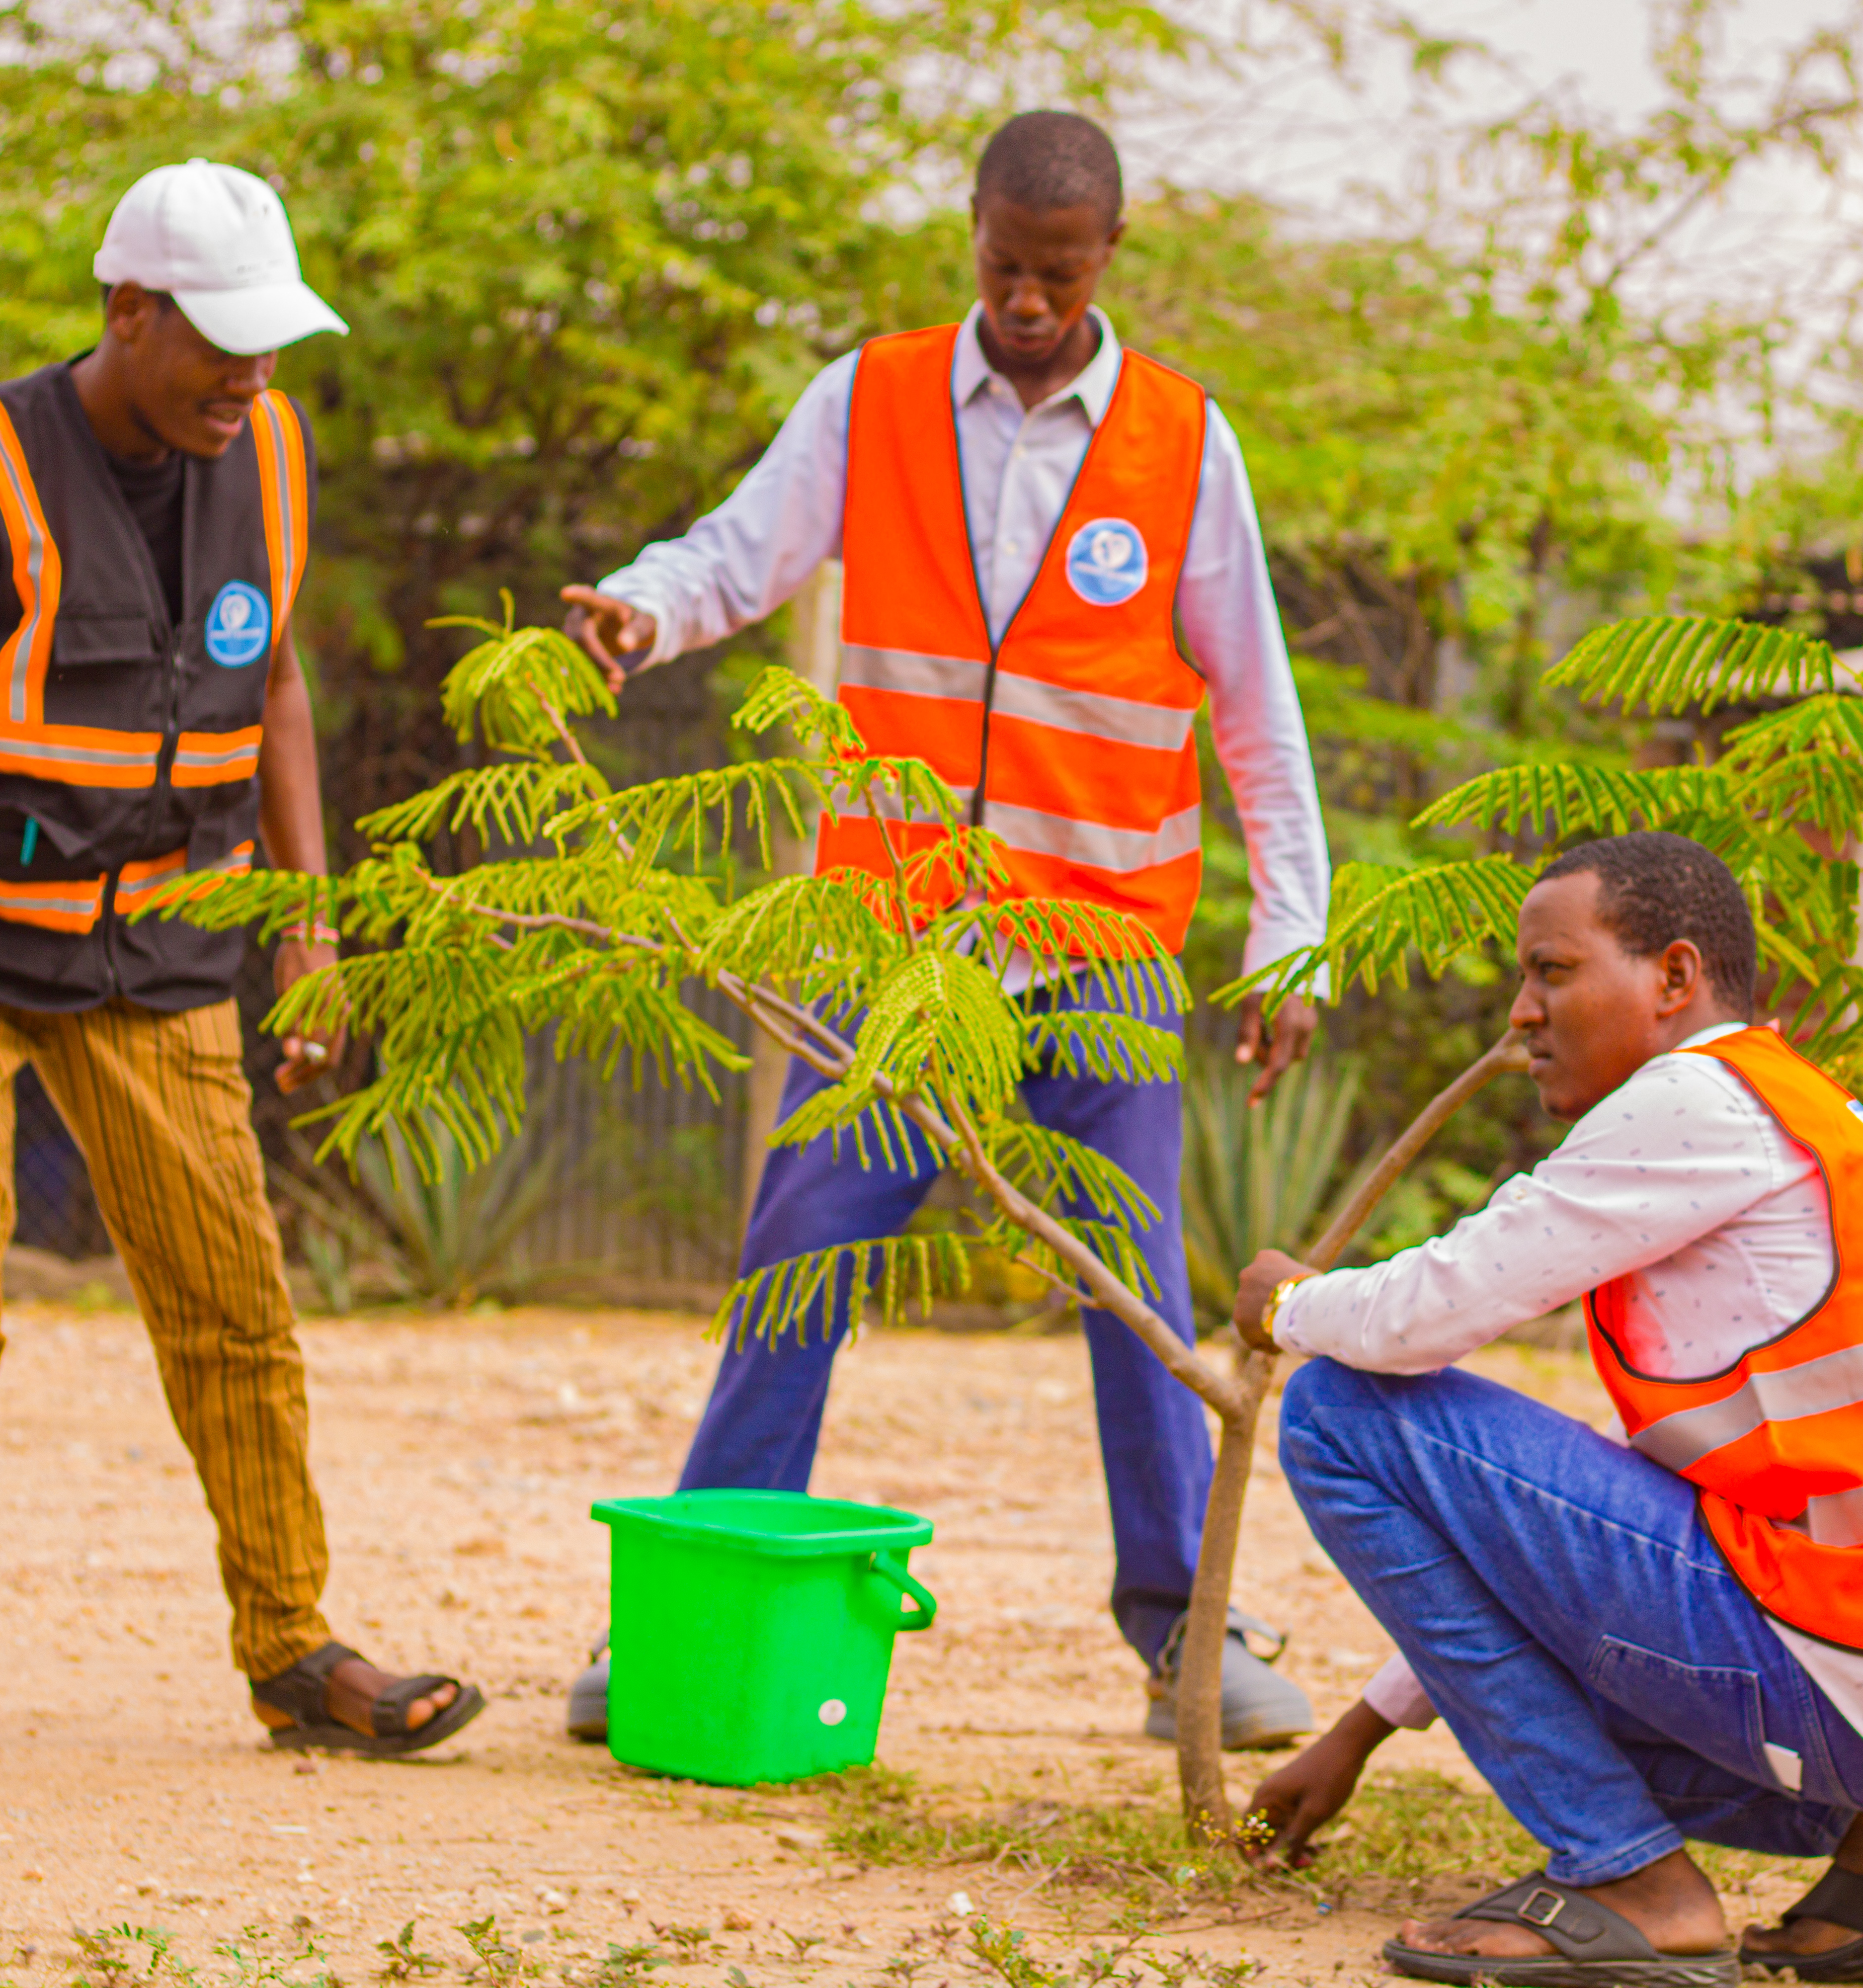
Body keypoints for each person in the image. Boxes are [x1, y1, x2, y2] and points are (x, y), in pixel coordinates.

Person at [558, 109, 1332, 1751]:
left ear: (1111, 257)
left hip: (1100, 948)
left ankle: (1191, 1635)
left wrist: (1294, 934)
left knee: (1131, 1285)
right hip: (899, 946)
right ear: (970, 236)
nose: (1031, 299)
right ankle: (693, 1597)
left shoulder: (1188, 444)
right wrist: (646, 604)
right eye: (1004, 266)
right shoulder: (875, 396)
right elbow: (738, 554)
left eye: (1060, 272)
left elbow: (1257, 707)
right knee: (799, 1258)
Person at [0, 158, 485, 1785]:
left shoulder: (264, 446)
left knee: (235, 1311)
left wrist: (309, 926)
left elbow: (279, 699)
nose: (251, 378)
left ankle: (293, 1647)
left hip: (167, 941)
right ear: (130, 313)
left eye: (272, 347)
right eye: (221, 343)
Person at [1227, 832, 1863, 1986]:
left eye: (1554, 970)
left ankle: (1632, 1877)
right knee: (1481, 1464)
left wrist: (1286, 1299)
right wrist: (1363, 1727)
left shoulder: (1697, 1098)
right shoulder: (1811, 1119)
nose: (1523, 1012)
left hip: (1855, 1672)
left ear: (1675, 979)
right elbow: (1559, 1541)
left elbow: (1418, 1317)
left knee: (1341, 1406)